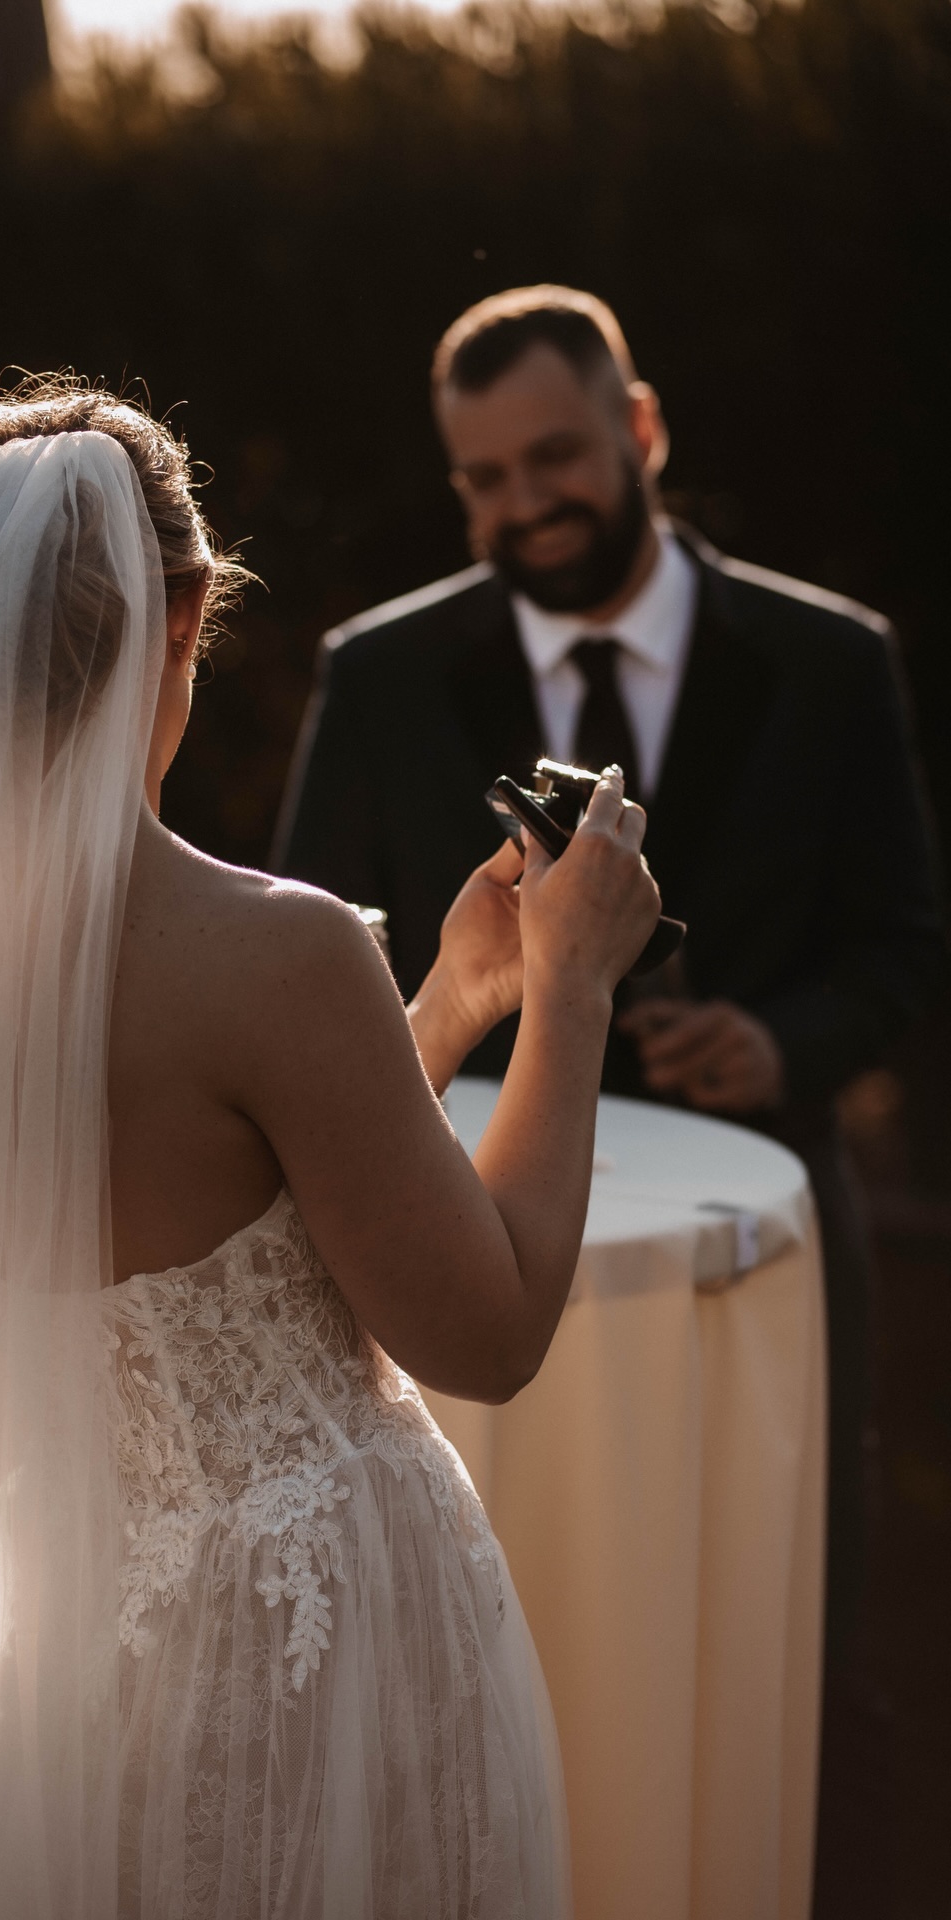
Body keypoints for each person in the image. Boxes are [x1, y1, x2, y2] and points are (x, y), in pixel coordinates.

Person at [0, 377, 660, 1918]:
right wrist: (576, 988)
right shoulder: (270, 953)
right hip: (329, 1655)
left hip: (99, 1659)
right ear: (190, 613)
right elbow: (485, 1327)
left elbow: (237, 1210)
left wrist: (450, 1009)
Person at [272, 285, 946, 1663]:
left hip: (749, 1239)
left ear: (639, 427)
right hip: (468, 1234)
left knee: (760, 1634)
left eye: (558, 456)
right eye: (486, 478)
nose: (527, 504)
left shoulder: (833, 662)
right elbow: (317, 946)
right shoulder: (382, 673)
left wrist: (783, 1043)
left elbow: (906, 943)